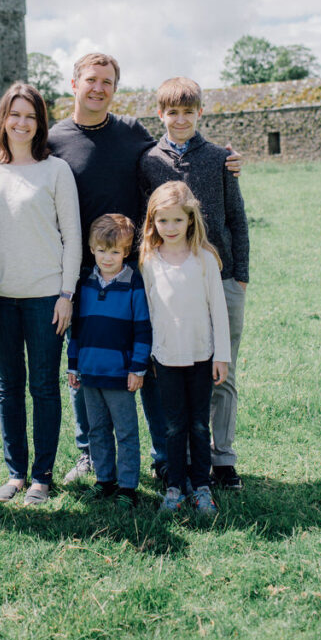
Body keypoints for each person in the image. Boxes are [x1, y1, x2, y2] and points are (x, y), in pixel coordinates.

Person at [47, 52, 242, 484]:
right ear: (74, 83)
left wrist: (226, 158)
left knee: (152, 359)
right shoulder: (54, 139)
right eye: (91, 80)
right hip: (84, 271)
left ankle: (162, 454)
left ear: (115, 89)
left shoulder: (132, 132)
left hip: (142, 266)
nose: (99, 88)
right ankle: (90, 454)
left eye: (108, 82)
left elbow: (176, 147)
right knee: (89, 363)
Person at [0, 82, 82, 505]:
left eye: (30, 116)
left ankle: (42, 477)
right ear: (2, 119)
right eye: (15, 114)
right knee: (8, 385)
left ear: (40, 123)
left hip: (47, 296)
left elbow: (73, 236)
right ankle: (15, 473)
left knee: (44, 387)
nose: (22, 122)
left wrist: (67, 293)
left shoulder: (55, 170)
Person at [138, 77, 249, 491]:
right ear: (161, 114)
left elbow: (237, 217)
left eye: (188, 111)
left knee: (222, 371)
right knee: (171, 365)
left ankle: (222, 459)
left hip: (219, 275)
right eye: (172, 112)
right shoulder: (149, 160)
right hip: (171, 276)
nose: (180, 119)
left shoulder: (221, 157)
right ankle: (179, 458)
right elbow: (147, 217)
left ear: (200, 112)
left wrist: (241, 275)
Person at [140, 182, 230, 516]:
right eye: (163, 221)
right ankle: (175, 487)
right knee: (174, 426)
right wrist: (147, 353)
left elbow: (218, 310)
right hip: (165, 356)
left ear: (190, 220)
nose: (171, 228)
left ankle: (202, 487)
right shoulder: (149, 260)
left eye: (178, 220)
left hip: (201, 355)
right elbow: (147, 312)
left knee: (198, 425)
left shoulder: (204, 259)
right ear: (153, 223)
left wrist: (221, 355)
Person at [67, 214, 152, 508]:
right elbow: (76, 328)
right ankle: (105, 480)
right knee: (97, 430)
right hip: (90, 374)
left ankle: (128, 487)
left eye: (115, 252)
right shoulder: (85, 284)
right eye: (102, 250)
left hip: (120, 374)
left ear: (126, 252)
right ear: (92, 248)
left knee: (126, 431)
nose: (107, 257)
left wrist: (137, 367)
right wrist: (73, 364)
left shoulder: (133, 283)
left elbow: (142, 326)